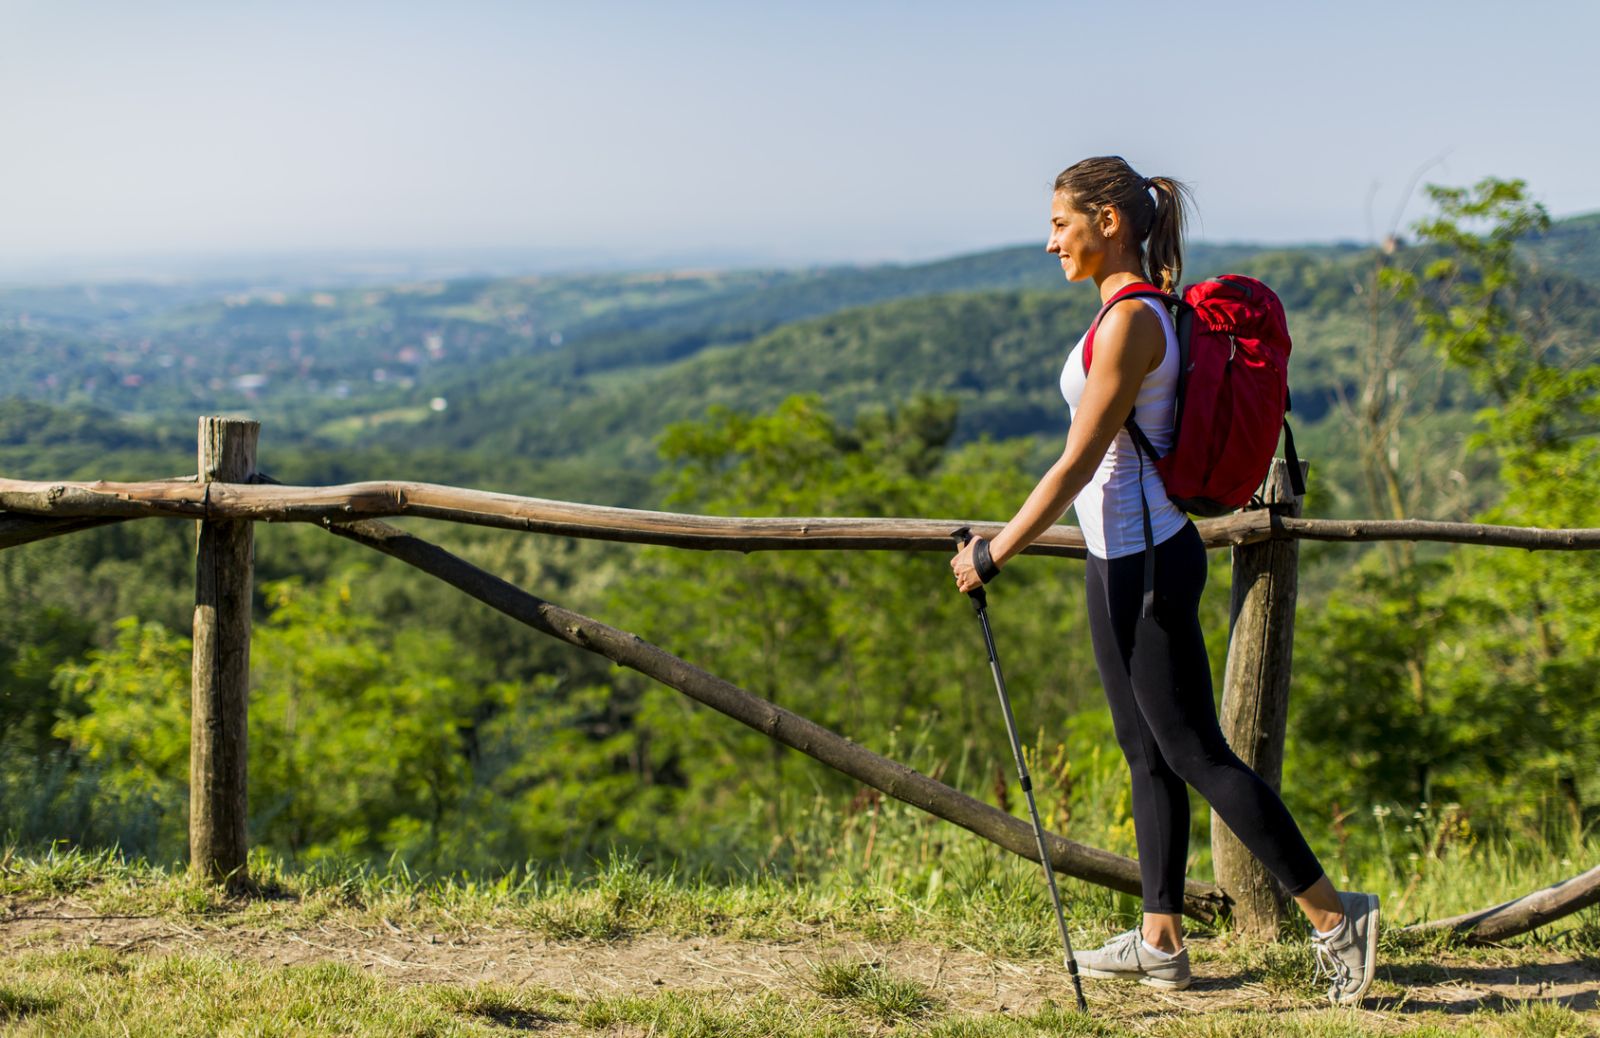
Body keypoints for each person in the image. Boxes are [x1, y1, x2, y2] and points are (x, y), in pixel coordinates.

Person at [949, 155, 1378, 1004]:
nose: (1050, 243)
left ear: (1110, 220)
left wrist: (995, 550)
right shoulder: (1127, 312)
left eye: (1061, 224)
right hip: (1119, 558)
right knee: (1144, 752)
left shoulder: (1133, 322)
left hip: (1148, 564)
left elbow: (1076, 466)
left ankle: (1338, 919)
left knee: (1197, 754)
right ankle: (1161, 940)